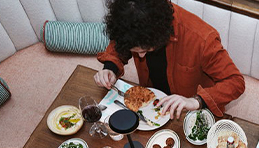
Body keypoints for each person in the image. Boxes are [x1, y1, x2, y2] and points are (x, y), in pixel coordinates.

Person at [95, 0, 245, 118]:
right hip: (151, 103)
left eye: (145, 50)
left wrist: (196, 101)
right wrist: (110, 68)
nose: (140, 56)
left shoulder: (201, 39)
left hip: (190, 110)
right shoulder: (132, 25)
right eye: (135, 51)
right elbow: (119, 45)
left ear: (159, 35)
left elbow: (235, 82)